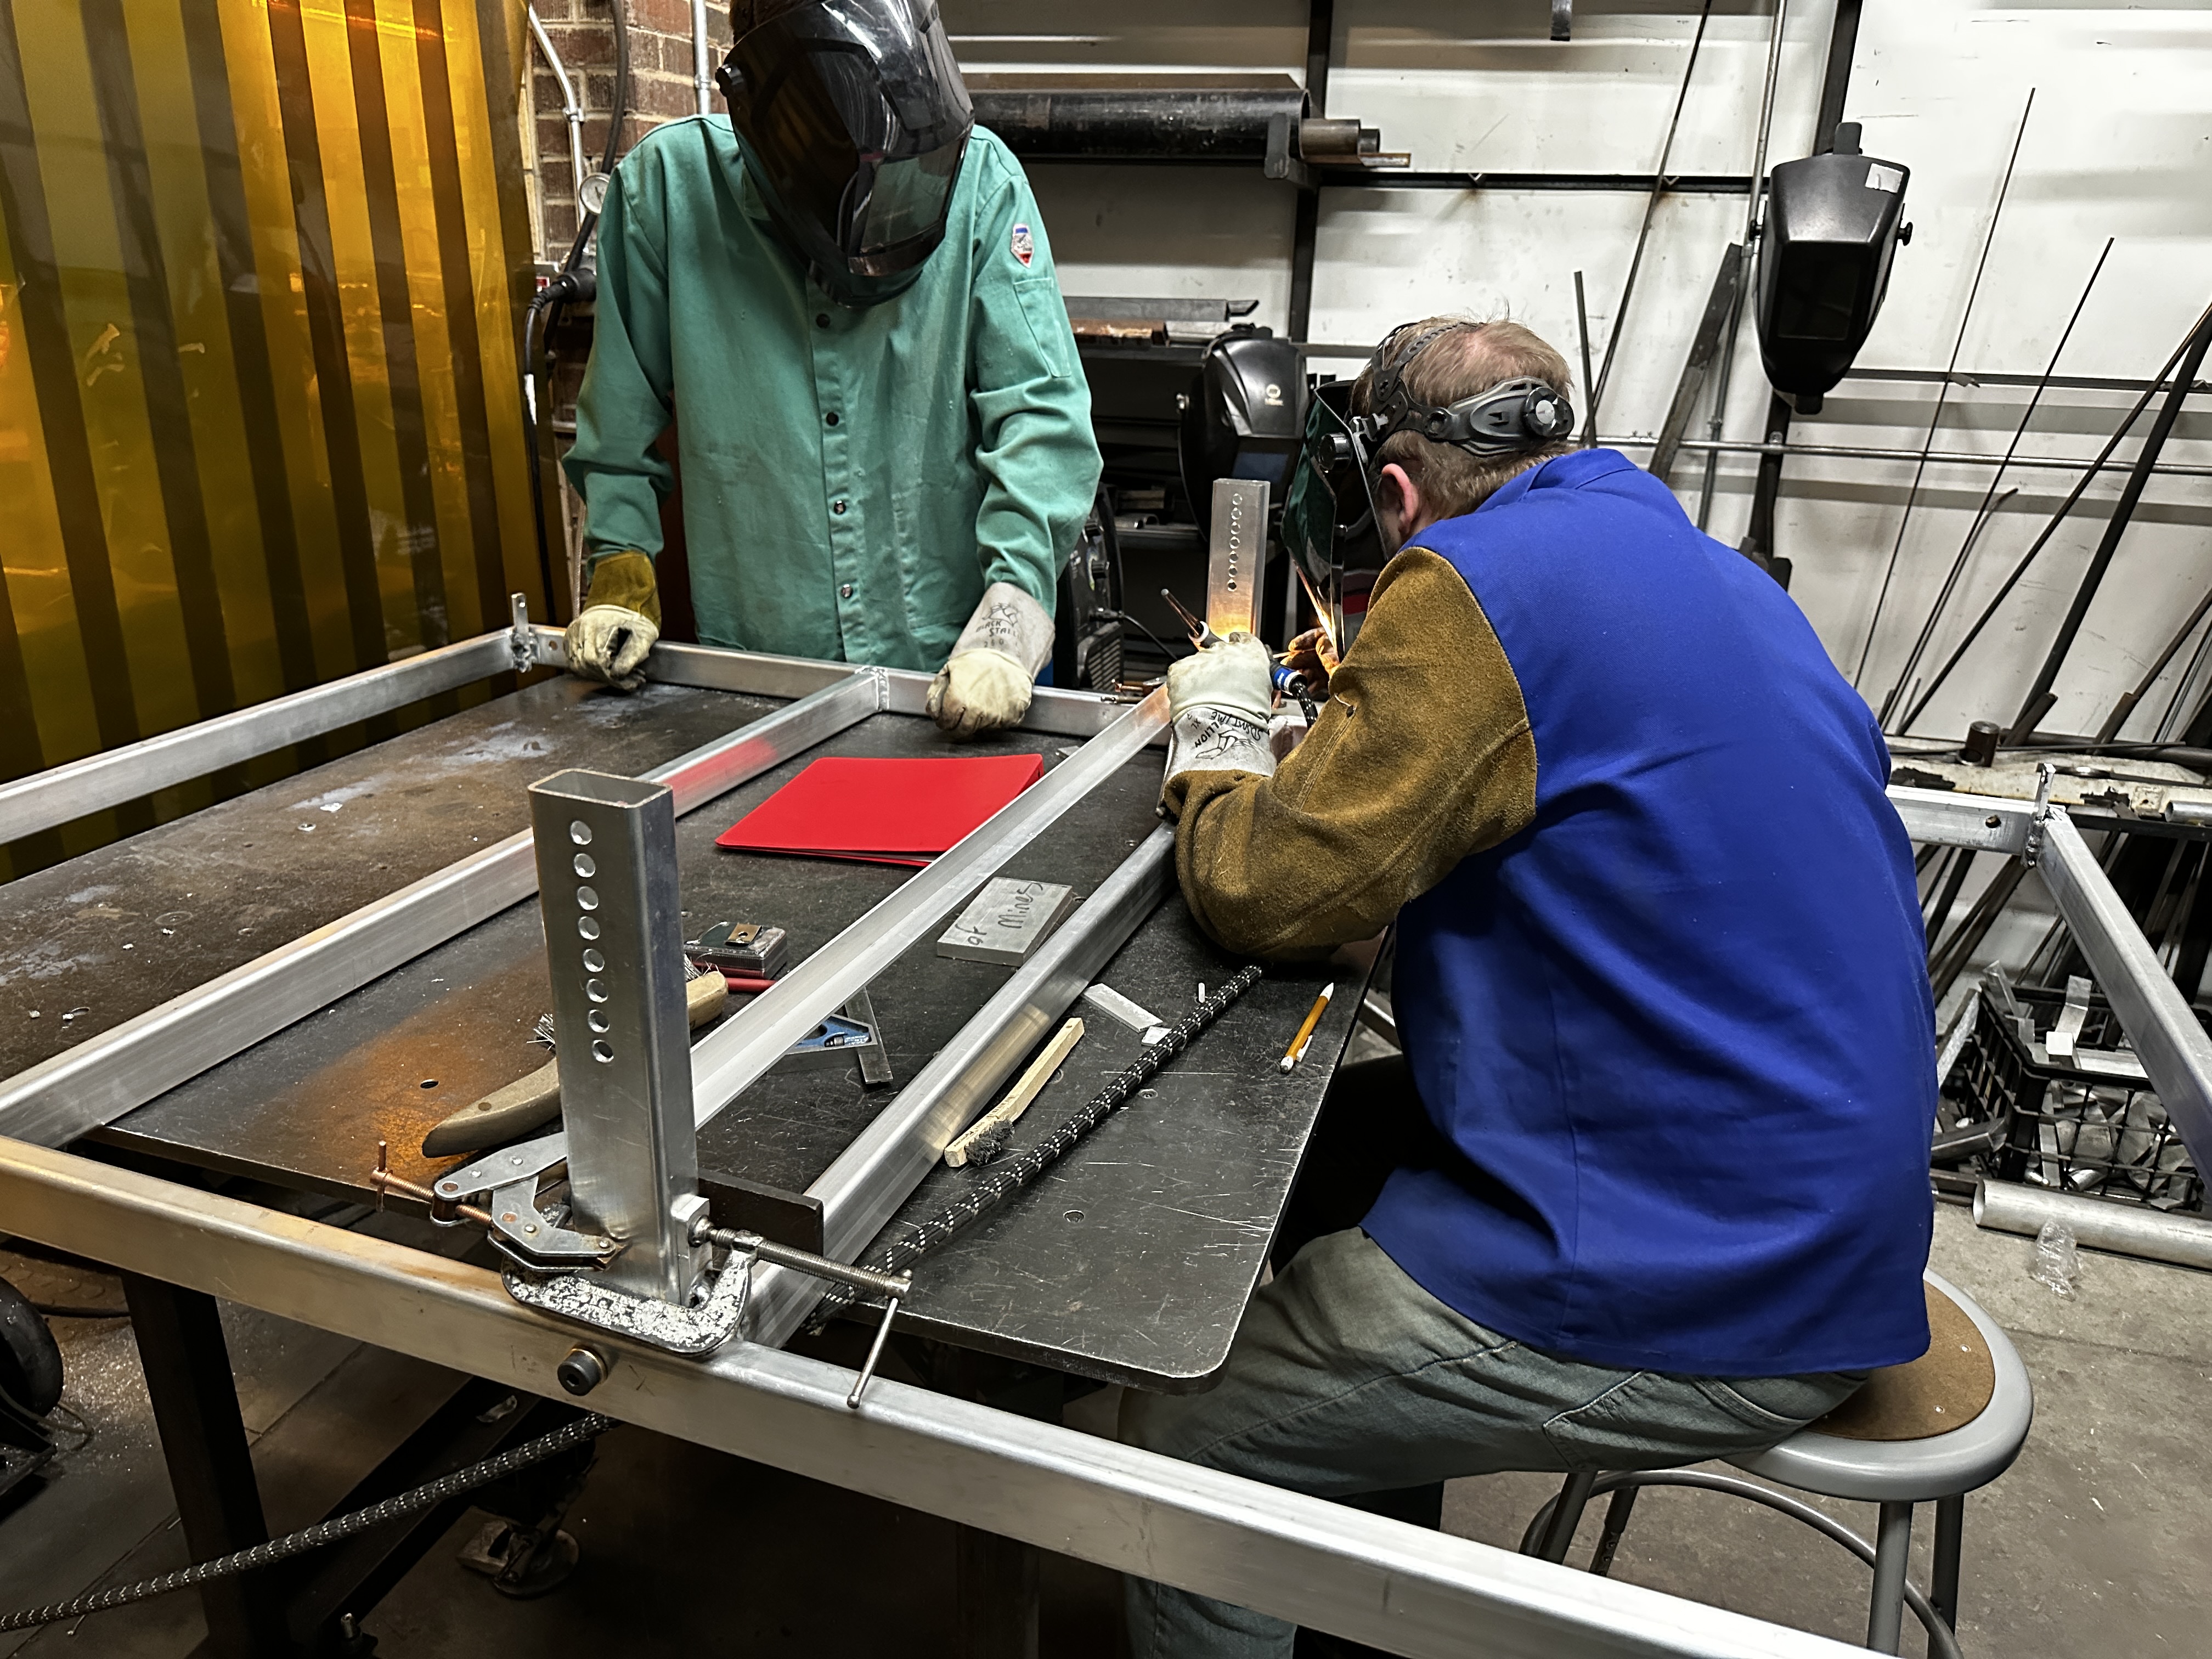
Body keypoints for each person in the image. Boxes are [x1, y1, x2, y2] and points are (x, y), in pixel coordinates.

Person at [1130, 318, 1937, 1658]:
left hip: (1715, 1270)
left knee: (1185, 1449)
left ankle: (1265, 1511)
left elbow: (1264, 890)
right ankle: (1352, 1590)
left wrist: (1218, 734)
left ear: (1397, 490)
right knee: (1331, 1155)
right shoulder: (1721, 578)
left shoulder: (1467, 583)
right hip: (1827, 1205)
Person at [560, 0, 1099, 737]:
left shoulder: (982, 179)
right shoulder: (666, 192)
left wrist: (1010, 621)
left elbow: (1041, 415)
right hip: (764, 678)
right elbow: (619, 425)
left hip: (950, 672)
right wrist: (619, 568)